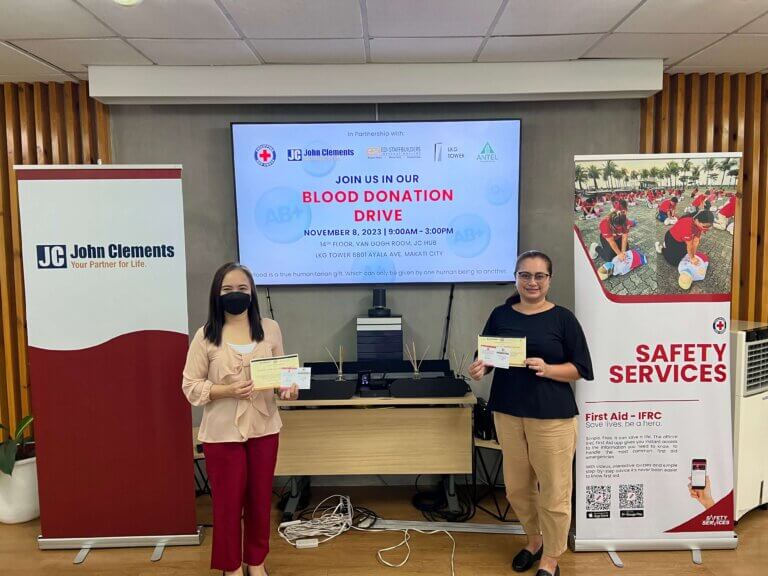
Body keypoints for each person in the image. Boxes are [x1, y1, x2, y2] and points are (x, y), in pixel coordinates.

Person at [469, 251, 593, 576]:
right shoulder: (501, 314)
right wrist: (480, 366)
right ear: (516, 278)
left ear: (549, 280)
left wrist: (549, 368)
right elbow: (484, 355)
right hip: (508, 413)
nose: (532, 282)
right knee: (517, 488)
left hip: (552, 416)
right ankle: (534, 540)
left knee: (553, 490)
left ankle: (551, 557)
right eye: (525, 275)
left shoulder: (562, 318)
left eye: (539, 276)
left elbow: (581, 369)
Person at [182, 262, 299, 576]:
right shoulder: (205, 336)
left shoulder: (270, 328)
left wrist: (289, 388)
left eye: (242, 289)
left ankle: (256, 561)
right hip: (222, 434)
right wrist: (225, 390)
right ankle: (231, 566)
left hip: (264, 428)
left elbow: (284, 375)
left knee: (261, 500)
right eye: (228, 290)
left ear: (252, 293)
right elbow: (190, 386)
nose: (236, 295)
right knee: (228, 505)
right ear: (217, 295)